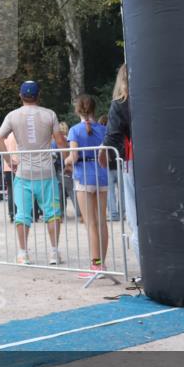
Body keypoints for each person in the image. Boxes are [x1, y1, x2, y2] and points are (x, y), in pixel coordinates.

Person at [0, 80, 66, 265]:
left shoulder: (13, 115)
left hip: (24, 172)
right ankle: (53, 252)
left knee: (22, 214)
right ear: (38, 95)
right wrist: (67, 161)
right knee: (53, 213)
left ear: (20, 95)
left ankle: (23, 253)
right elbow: (59, 141)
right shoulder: (49, 114)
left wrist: (10, 161)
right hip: (46, 172)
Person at [66, 95, 110, 276]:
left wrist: (66, 160)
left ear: (78, 110)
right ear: (94, 109)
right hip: (101, 175)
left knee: (90, 223)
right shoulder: (104, 129)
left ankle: (95, 264)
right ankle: (101, 263)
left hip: (83, 176)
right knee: (102, 222)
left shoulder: (75, 130)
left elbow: (73, 156)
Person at [101, 64, 138, 259]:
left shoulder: (121, 103)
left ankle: (146, 269)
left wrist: (112, 154)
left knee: (135, 216)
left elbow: (112, 136)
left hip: (132, 161)